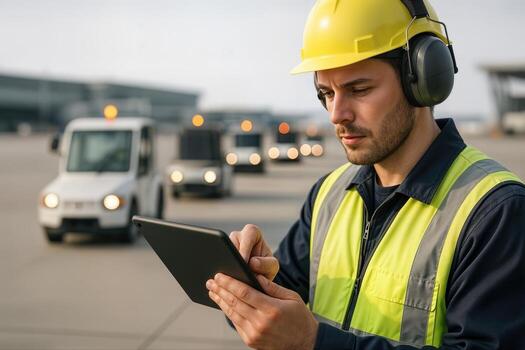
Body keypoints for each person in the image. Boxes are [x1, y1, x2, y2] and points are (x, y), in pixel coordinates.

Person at [205, 0, 525, 348]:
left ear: (422, 80)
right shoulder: (329, 193)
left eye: (359, 90)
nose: (336, 114)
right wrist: (252, 280)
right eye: (326, 93)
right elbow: (280, 310)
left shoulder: (495, 211)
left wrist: (314, 342)